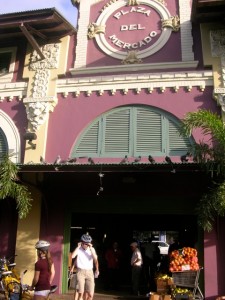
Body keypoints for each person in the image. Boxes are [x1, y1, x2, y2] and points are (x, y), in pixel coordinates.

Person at [71, 234, 99, 300]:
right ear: (81, 242)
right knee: (81, 293)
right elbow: (72, 256)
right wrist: (78, 247)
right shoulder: (79, 249)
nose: (86, 245)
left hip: (90, 272)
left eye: (87, 244)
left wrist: (91, 248)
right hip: (80, 272)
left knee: (90, 294)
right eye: (84, 243)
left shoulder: (92, 249)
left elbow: (95, 259)